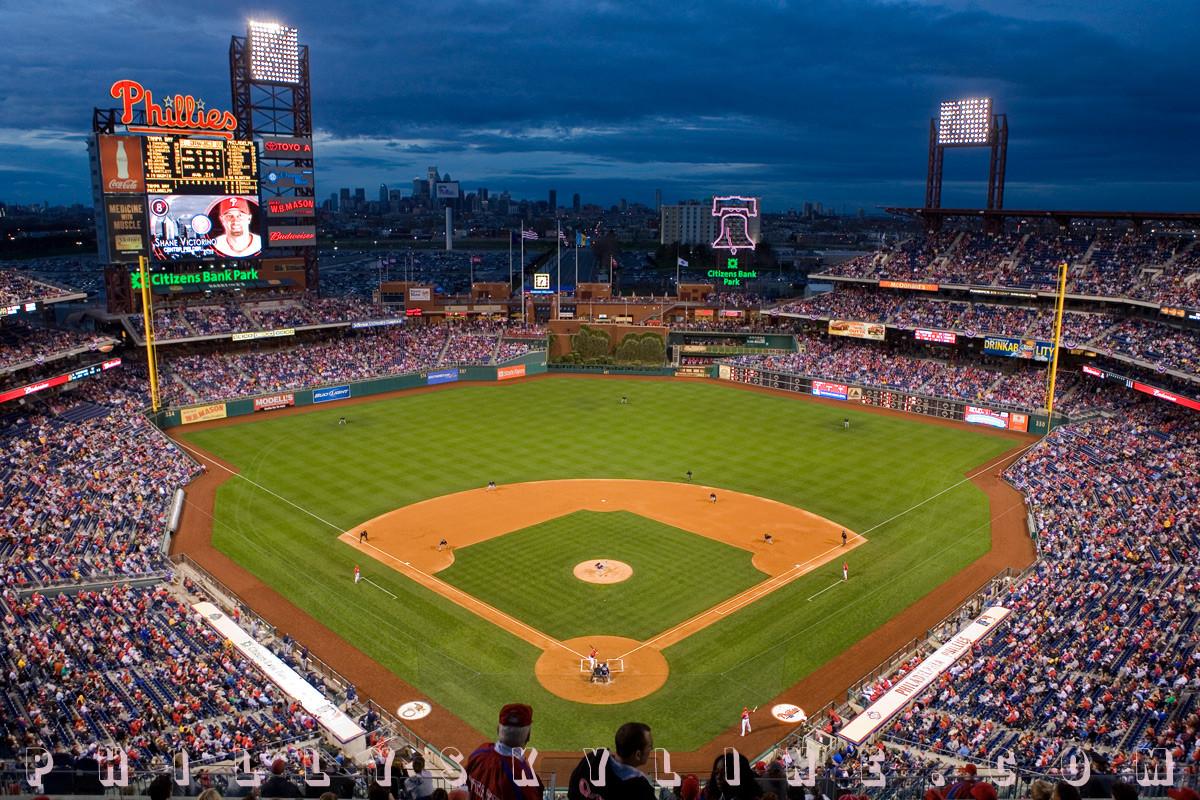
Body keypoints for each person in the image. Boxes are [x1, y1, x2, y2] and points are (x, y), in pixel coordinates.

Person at [466, 703, 543, 800]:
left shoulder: (479, 753)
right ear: (528, 736)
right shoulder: (524, 781)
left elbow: (468, 788)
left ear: (498, 729)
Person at [566, 721, 656, 800]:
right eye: (650, 746)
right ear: (638, 755)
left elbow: (572, 793)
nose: (651, 749)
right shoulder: (641, 788)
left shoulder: (593, 758)